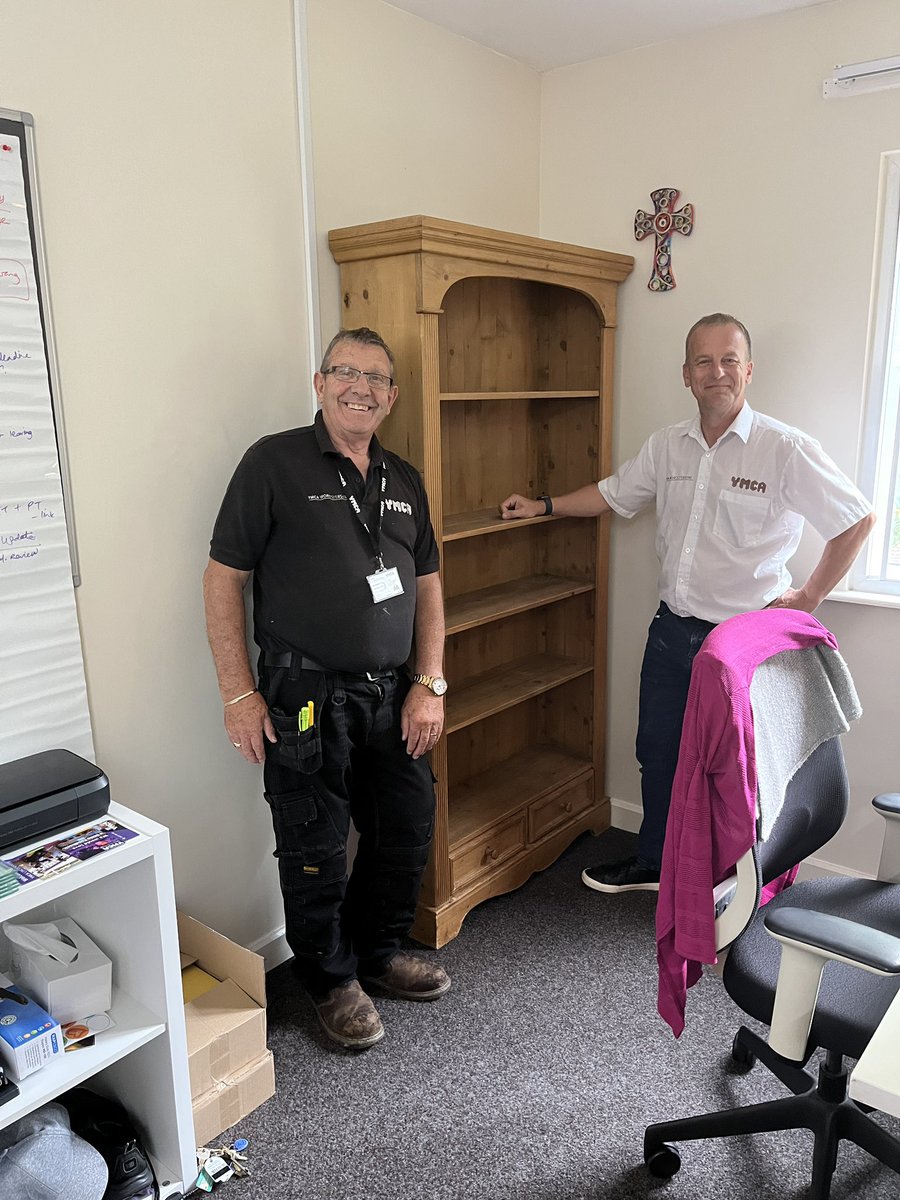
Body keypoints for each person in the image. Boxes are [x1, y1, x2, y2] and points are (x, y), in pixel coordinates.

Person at [499, 313, 875, 895]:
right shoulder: (667, 446)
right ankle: (654, 862)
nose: (716, 371)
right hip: (672, 632)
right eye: (703, 361)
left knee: (738, 772)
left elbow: (857, 519)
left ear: (748, 370)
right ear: (686, 374)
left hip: (742, 645)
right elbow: (612, 494)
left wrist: (808, 598)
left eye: (729, 360)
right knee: (658, 752)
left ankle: (731, 887)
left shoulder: (783, 448)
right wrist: (543, 505)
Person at [203, 327, 450, 1050]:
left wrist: (429, 683)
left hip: (393, 693)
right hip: (303, 696)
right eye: (346, 372)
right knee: (313, 842)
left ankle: (377, 954)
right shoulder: (272, 463)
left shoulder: (403, 478)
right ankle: (331, 979)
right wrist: (237, 694)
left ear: (392, 397)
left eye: (376, 379)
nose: (360, 388)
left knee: (404, 826)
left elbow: (429, 587)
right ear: (320, 383)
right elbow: (222, 581)